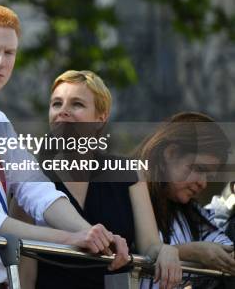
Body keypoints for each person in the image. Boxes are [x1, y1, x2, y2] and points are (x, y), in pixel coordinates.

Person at [0, 4, 130, 288]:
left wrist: (92, 232)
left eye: (9, 53)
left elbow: (36, 189)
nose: (0, 62)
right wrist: (70, 238)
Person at [27, 70, 181, 289]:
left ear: (100, 118)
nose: (63, 112)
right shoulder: (31, 177)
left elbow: (149, 246)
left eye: (77, 104)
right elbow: (24, 266)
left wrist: (167, 250)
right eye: (56, 104)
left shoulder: (130, 173)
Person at [138, 112, 234, 287]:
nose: (203, 183)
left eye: (209, 176)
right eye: (198, 168)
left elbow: (225, 250)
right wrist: (192, 252)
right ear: (171, 153)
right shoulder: (121, 197)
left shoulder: (193, 214)